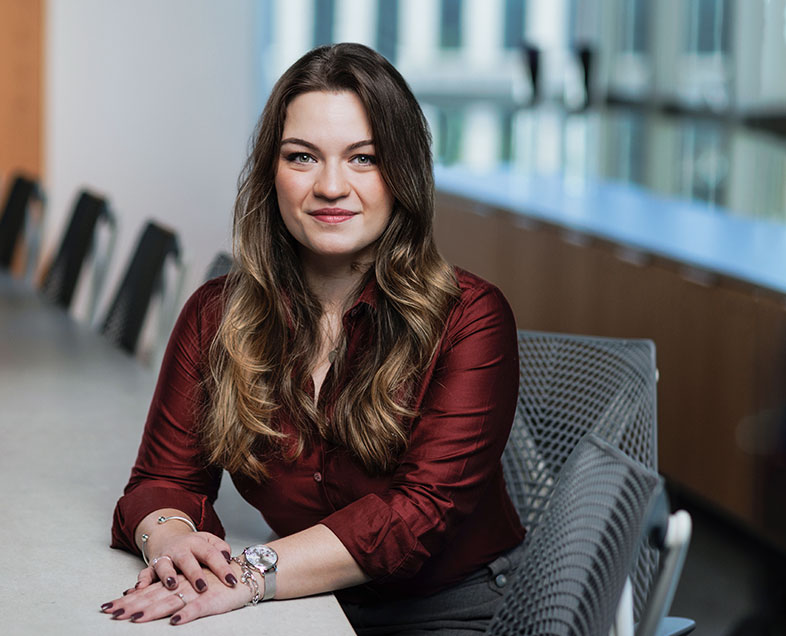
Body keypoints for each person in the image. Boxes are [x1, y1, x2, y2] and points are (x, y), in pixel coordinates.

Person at [101, 43, 525, 633]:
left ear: (403, 173)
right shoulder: (215, 315)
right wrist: (174, 547)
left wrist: (248, 575)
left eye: (363, 158)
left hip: (445, 607)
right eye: (302, 157)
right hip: (301, 594)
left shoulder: (472, 318)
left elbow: (416, 515)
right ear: (271, 173)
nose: (330, 186)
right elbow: (162, 481)